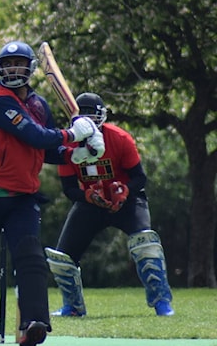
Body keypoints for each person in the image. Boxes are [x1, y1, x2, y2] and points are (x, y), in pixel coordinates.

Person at [0, 41, 104, 346]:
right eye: (7, 64)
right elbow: (33, 135)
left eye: (18, 64)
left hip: (22, 197)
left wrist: (79, 153)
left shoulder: (39, 105)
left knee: (30, 256)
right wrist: (75, 133)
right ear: (0, 69)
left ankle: (33, 323)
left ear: (30, 69)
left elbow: (50, 149)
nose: (12, 69)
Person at [46, 92, 174, 317]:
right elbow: (69, 189)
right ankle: (73, 307)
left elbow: (139, 178)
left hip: (127, 200)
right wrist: (88, 197)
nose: (88, 120)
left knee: (145, 242)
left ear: (102, 117)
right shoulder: (69, 145)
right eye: (82, 114)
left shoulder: (119, 138)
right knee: (63, 257)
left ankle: (162, 302)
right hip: (91, 203)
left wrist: (124, 192)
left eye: (92, 115)